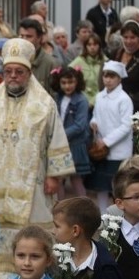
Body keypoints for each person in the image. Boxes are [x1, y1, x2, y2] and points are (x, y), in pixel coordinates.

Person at [0, 37, 74, 279]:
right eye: (8, 71)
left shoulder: (44, 105)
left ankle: (34, 274)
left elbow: (56, 137)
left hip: (34, 184)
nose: (13, 76)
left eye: (19, 72)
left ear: (29, 73)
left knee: (34, 230)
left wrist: (54, 175)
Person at [85, 60, 133, 212]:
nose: (108, 79)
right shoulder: (100, 96)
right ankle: (103, 214)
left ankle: (117, 216)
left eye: (112, 76)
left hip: (118, 151)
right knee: (101, 186)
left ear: (119, 78)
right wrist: (93, 122)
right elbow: (95, 115)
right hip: (101, 150)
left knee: (117, 187)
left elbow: (126, 125)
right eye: (105, 75)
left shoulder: (124, 99)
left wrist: (106, 141)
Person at [50, 67, 91, 198]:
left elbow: (80, 125)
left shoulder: (81, 100)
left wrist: (60, 134)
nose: (67, 86)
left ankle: (85, 209)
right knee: (59, 179)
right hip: (60, 144)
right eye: (64, 83)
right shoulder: (58, 98)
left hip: (75, 145)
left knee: (76, 179)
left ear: (77, 82)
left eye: (71, 82)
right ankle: (61, 209)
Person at [111, 20, 139, 113]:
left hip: (135, 109)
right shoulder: (116, 54)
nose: (128, 41)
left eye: (132, 37)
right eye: (126, 37)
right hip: (112, 106)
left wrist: (126, 103)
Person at [19, 18, 60, 95]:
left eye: (28, 36)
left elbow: (55, 96)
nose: (24, 40)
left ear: (39, 38)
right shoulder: (14, 60)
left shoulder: (51, 64)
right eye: (21, 36)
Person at [69, 33, 107, 108]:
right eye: (89, 45)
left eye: (95, 44)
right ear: (85, 46)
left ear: (99, 46)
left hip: (101, 101)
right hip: (81, 101)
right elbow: (69, 77)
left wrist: (94, 101)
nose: (92, 47)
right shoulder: (78, 61)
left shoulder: (106, 62)